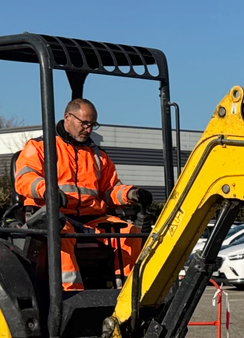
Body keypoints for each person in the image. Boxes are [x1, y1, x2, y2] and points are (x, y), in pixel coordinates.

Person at [14, 98, 149, 290]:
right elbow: (25, 179)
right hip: (52, 216)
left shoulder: (98, 156)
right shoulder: (39, 147)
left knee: (130, 233)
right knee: (60, 232)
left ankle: (130, 293)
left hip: (91, 220)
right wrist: (48, 191)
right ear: (67, 117)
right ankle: (70, 297)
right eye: (84, 123)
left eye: (93, 124)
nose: (89, 129)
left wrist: (131, 194)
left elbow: (110, 190)